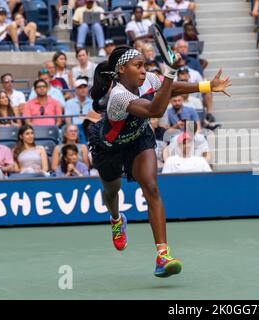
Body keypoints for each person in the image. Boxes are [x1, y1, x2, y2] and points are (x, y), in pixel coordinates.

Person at [88, 46, 230, 277]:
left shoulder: (148, 80)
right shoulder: (118, 96)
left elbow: (169, 88)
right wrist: (170, 72)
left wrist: (207, 86)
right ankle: (116, 219)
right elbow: (156, 109)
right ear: (122, 69)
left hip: (138, 140)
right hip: (110, 148)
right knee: (112, 191)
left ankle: (163, 256)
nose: (144, 70)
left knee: (151, 187)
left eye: (144, 65)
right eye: (138, 66)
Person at [65, 78, 93, 142]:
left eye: (85, 87)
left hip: (88, 126)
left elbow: (93, 118)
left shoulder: (92, 102)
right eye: (80, 87)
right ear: (76, 90)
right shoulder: (69, 103)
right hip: (76, 126)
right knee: (76, 129)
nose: (83, 90)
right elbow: (68, 120)